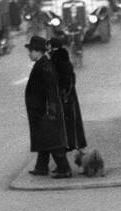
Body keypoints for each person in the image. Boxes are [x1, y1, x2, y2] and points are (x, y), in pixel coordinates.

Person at [24, 35, 71, 177]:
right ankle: (41, 167)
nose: (29, 54)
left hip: (45, 111)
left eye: (31, 51)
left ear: (38, 51)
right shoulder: (42, 64)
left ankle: (64, 169)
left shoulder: (44, 66)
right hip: (40, 110)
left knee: (52, 140)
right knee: (43, 139)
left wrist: (51, 111)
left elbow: (51, 90)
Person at [49, 33, 86, 157]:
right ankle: (73, 144)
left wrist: (65, 93)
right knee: (70, 121)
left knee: (70, 121)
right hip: (67, 95)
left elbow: (67, 79)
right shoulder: (60, 58)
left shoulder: (58, 60)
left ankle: (72, 145)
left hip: (65, 97)